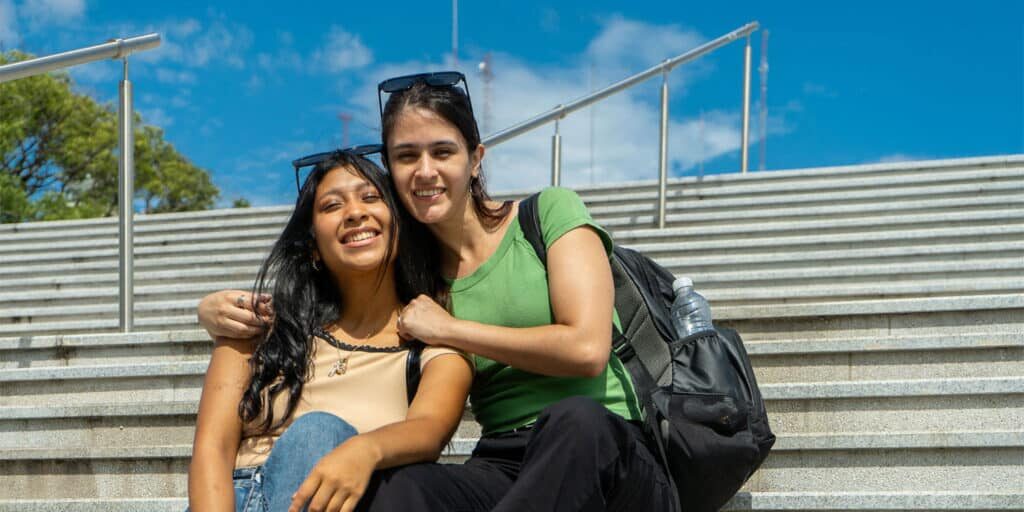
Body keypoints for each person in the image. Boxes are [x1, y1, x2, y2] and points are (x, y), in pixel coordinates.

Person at [199, 71, 676, 511]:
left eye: (442, 152)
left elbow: (587, 349)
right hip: (506, 460)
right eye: (406, 156)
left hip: (611, 445)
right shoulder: (421, 273)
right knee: (402, 488)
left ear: (476, 158)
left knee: (575, 422)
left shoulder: (547, 214)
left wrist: (452, 329)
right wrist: (209, 308)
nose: (424, 170)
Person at [188, 150, 473, 512]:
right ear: (313, 250)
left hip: (329, 501)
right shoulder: (258, 327)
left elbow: (430, 430)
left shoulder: (431, 347)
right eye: (331, 206)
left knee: (319, 432)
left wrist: (362, 449)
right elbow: (212, 448)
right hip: (232, 498)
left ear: (400, 227)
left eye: (370, 197)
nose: (354, 213)